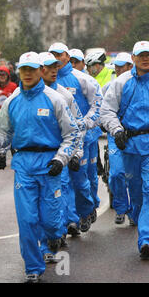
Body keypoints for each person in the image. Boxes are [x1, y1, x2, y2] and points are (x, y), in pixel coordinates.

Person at [0, 51, 80, 283]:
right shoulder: (13, 101)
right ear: (19, 71)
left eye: (32, 69)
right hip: (24, 166)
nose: (27, 74)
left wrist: (61, 159)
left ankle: (51, 238)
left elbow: (72, 135)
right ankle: (33, 267)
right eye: (23, 69)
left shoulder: (55, 99)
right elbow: (3, 133)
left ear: (41, 71)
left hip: (50, 165)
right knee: (27, 220)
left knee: (51, 222)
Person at [100, 40, 149, 260]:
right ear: (133, 58)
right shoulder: (121, 83)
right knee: (135, 190)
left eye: (148, 55)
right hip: (129, 145)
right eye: (140, 55)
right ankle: (135, 214)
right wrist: (116, 131)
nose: (145, 58)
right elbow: (106, 112)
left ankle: (147, 240)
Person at [49, 42, 102, 231]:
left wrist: (85, 124)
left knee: (81, 180)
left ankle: (87, 210)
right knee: (63, 182)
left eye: (59, 54)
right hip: (58, 141)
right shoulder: (47, 82)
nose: (56, 58)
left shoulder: (82, 79)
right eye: (52, 55)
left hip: (84, 139)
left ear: (67, 56)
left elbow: (98, 105)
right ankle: (70, 220)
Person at [38, 52, 86, 239]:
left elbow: (78, 126)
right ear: (39, 70)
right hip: (32, 157)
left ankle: (64, 227)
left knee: (62, 190)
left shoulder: (63, 95)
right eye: (49, 67)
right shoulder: (20, 95)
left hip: (59, 154)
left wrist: (76, 153)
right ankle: (52, 234)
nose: (54, 71)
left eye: (56, 67)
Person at [100, 52, 136, 225]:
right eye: (117, 66)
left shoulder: (137, 85)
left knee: (135, 176)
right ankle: (121, 208)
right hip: (115, 136)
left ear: (131, 66)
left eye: (124, 66)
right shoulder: (108, 87)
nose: (120, 69)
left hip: (135, 136)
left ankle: (135, 210)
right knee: (117, 174)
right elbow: (103, 110)